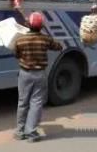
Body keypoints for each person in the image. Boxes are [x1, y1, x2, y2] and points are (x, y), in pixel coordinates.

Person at [13, 11, 63, 142]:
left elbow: (17, 55)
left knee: (22, 103)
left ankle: (19, 132)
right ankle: (31, 132)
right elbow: (58, 46)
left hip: (24, 74)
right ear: (41, 27)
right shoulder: (45, 39)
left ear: (28, 24)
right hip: (40, 74)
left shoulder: (20, 40)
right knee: (36, 103)